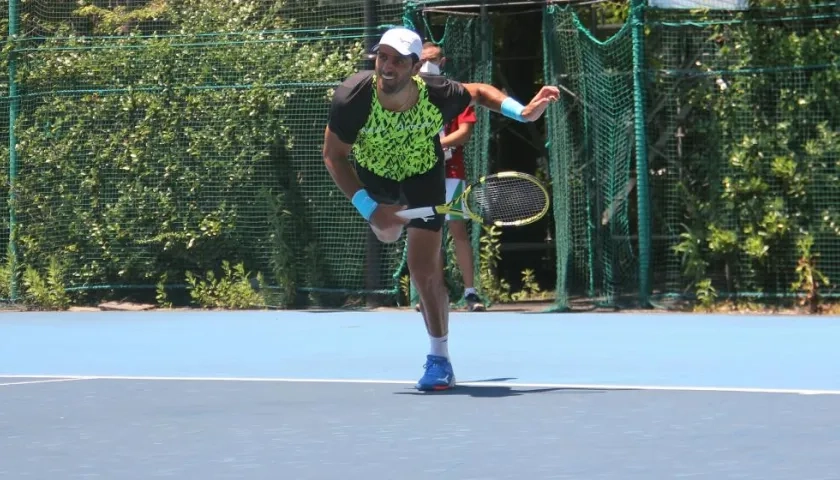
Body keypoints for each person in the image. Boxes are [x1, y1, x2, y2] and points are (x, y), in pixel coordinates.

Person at [322, 26, 559, 391]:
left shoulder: (437, 94)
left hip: (422, 176)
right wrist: (370, 208)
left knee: (423, 269)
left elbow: (479, 93)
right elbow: (333, 157)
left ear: (415, 68)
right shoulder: (352, 98)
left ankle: (439, 359)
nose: (387, 66)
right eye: (382, 57)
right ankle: (388, 223)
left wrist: (524, 113)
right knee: (386, 232)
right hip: (377, 178)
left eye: (398, 61)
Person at [415, 41, 485, 313]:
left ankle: (470, 293)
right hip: (422, 177)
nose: (426, 65)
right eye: (421, 61)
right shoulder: (412, 94)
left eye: (431, 59)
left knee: (458, 231)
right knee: (429, 234)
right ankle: (433, 291)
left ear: (442, 62)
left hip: (452, 174)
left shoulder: (457, 93)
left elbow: (464, 132)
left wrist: (438, 146)